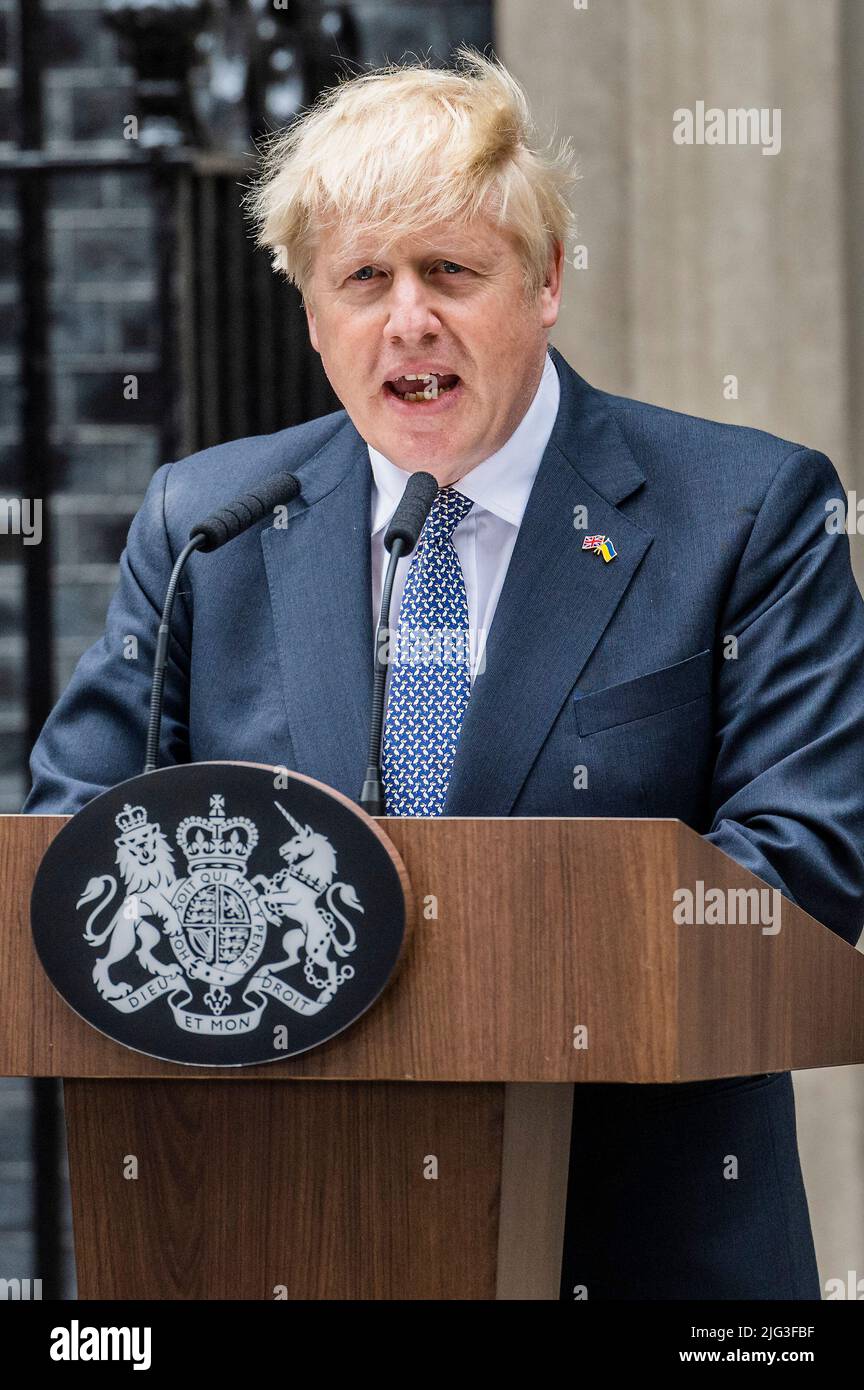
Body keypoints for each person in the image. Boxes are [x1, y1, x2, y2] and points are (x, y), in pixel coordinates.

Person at [23, 46, 864, 1299]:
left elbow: (806, 863)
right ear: (312, 315)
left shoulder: (744, 512)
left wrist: (463, 957)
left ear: (546, 282)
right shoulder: (209, 524)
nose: (407, 318)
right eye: (364, 277)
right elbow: (68, 836)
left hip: (642, 1249)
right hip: (280, 1226)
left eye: (450, 272)